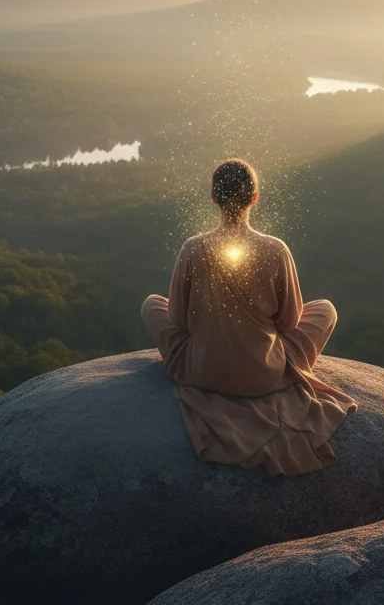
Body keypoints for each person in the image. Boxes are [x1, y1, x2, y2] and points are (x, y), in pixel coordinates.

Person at [141, 159, 357, 476]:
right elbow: (288, 324)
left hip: (202, 371)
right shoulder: (276, 249)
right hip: (266, 376)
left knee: (151, 304)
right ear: (255, 198)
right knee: (325, 309)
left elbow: (179, 321)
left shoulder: (193, 248)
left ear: (214, 198)